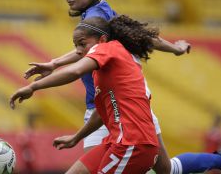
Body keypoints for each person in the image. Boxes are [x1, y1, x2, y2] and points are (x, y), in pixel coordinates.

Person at [23, 0, 221, 173]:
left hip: (115, 107)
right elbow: (134, 35)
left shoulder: (96, 19)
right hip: (118, 104)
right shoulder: (99, 14)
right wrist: (55, 62)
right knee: (165, 169)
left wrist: (174, 48)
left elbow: (100, 52)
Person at [11, 16, 160, 173]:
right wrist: (76, 137)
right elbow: (102, 113)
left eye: (82, 44)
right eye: (76, 46)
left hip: (133, 143)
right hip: (118, 141)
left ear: (102, 39)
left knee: (167, 169)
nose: (78, 51)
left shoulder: (108, 48)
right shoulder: (103, 72)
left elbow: (75, 70)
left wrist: (33, 87)